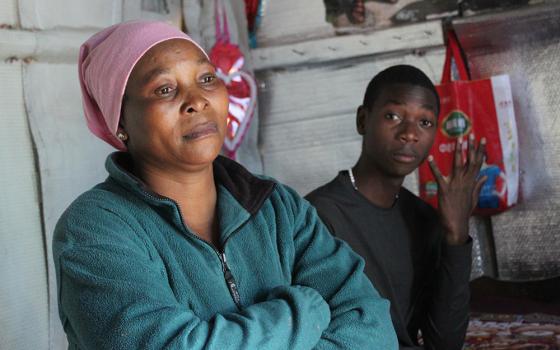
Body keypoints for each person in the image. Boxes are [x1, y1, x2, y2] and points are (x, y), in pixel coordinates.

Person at [52, 20, 398, 350]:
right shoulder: (94, 230)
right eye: (165, 89)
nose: (197, 101)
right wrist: (304, 311)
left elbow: (373, 329)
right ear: (120, 121)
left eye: (205, 78)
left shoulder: (277, 207)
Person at [306, 65, 486, 350]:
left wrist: (456, 235)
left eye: (424, 122)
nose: (409, 134)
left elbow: (445, 342)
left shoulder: (424, 219)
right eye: (393, 116)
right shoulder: (318, 215)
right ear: (363, 120)